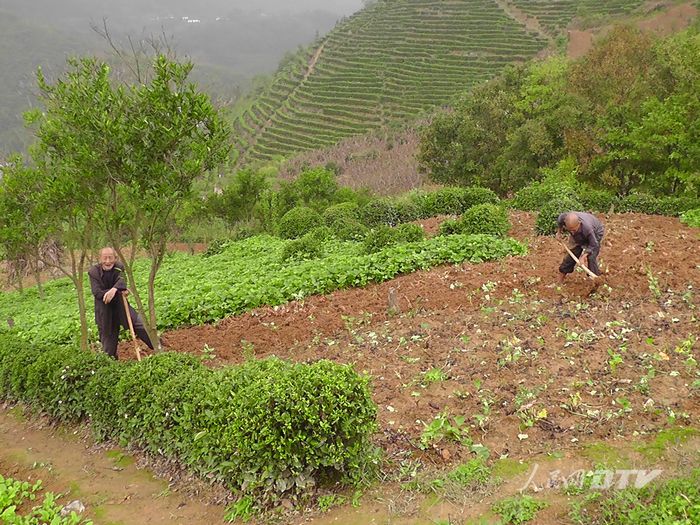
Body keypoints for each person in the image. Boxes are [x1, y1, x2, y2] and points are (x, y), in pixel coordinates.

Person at [88, 247, 154, 358]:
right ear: (100, 258)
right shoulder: (93, 272)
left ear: (115, 258)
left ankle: (159, 347)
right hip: (105, 313)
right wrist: (118, 290)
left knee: (141, 325)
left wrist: (114, 290)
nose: (108, 261)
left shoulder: (119, 267)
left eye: (111, 258)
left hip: (122, 307)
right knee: (108, 349)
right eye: (105, 258)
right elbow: (97, 293)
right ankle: (112, 364)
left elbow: (122, 281)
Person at [556, 212, 605, 283]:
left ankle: (596, 280)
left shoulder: (588, 229)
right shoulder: (564, 218)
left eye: (574, 230)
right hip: (580, 233)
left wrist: (583, 256)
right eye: (570, 230)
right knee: (572, 254)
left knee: (591, 257)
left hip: (596, 232)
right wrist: (559, 233)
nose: (572, 233)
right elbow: (560, 221)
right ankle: (559, 282)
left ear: (579, 223)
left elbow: (593, 244)